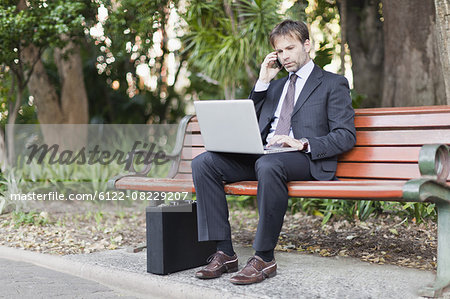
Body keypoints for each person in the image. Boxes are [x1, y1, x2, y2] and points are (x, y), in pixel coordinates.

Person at [191, 19, 356, 285]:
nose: (285, 56)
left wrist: (302, 143)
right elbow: (246, 121)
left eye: (290, 49)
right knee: (204, 163)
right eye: (279, 51)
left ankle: (264, 257)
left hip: (304, 159)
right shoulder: (275, 86)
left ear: (307, 45)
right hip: (264, 156)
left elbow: (346, 135)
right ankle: (224, 251)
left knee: (269, 166)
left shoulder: (331, 83)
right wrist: (262, 82)